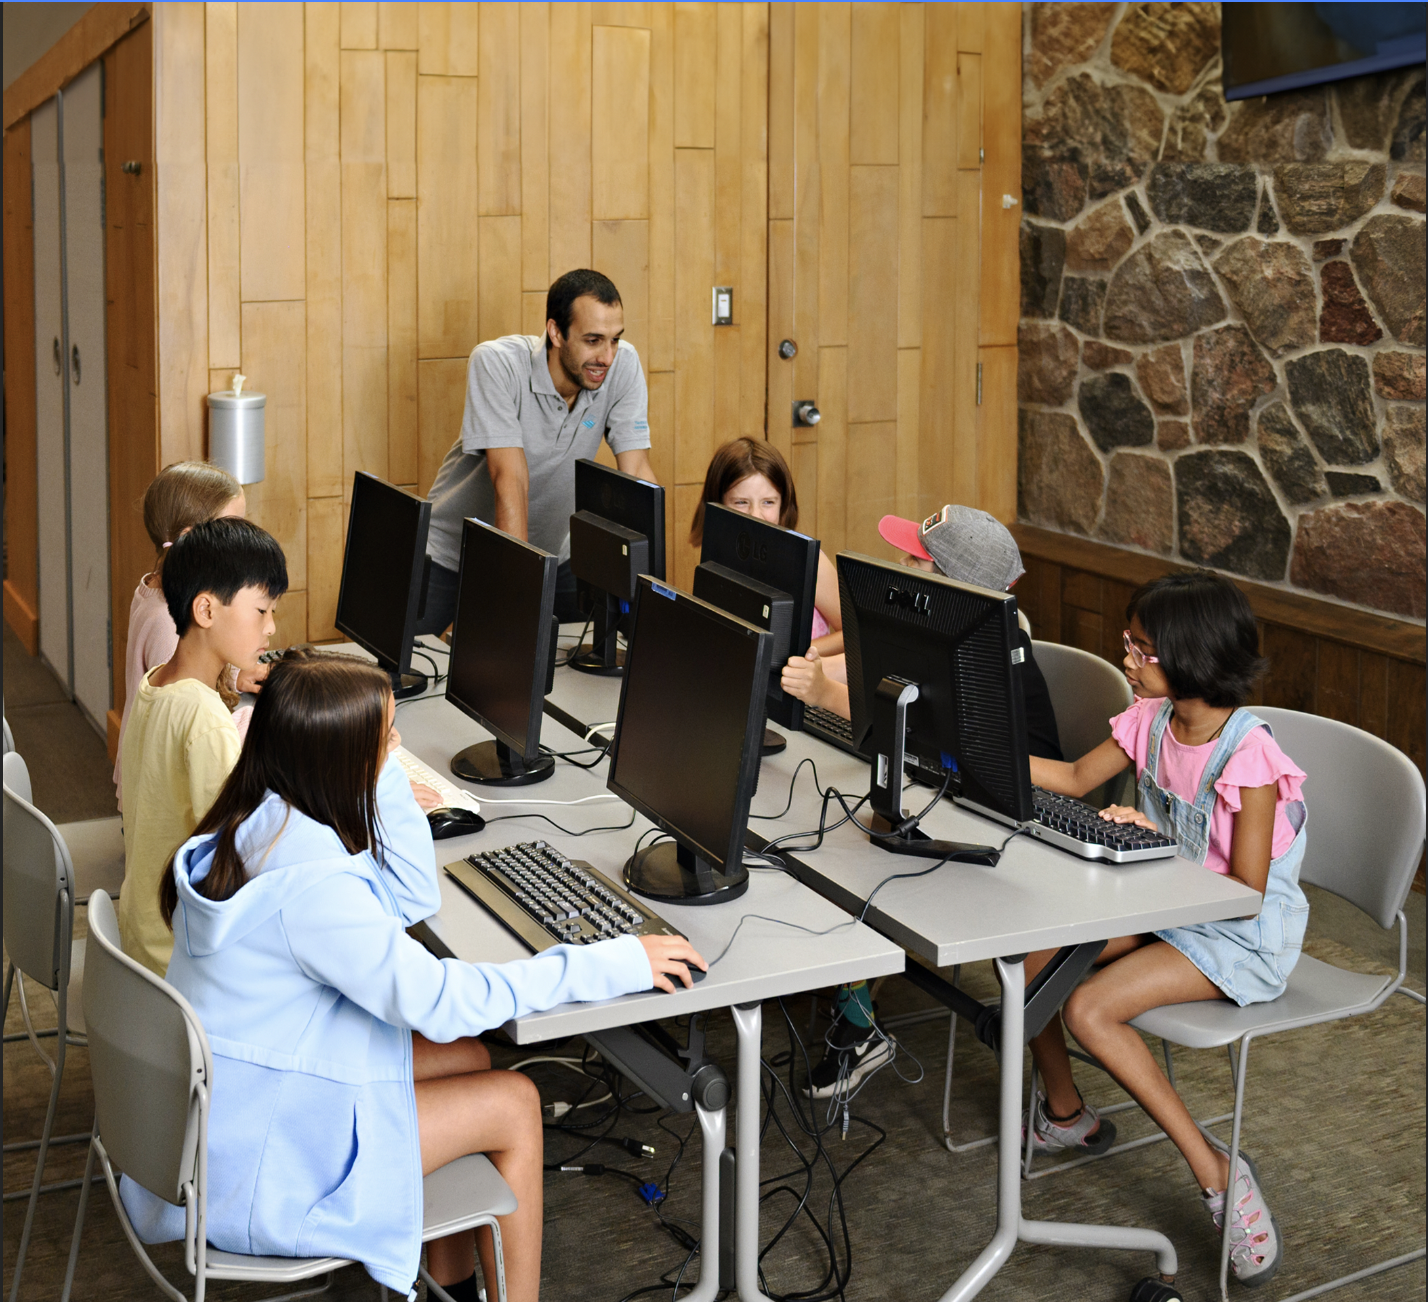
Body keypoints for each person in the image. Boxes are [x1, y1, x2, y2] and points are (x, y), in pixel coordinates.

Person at [120, 650, 706, 1302]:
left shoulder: (262, 820)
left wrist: (382, 769)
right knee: (515, 1101)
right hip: (267, 1159)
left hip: (241, 1102)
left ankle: (446, 1292)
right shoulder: (312, 891)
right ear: (336, 761)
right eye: (385, 740)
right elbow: (442, 999)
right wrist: (615, 958)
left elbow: (407, 895)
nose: (396, 745)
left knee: (471, 1057)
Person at [1026, 570, 1307, 1286]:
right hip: (1167, 907)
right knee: (1031, 957)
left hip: (1235, 933)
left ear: (1189, 657)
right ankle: (1065, 1114)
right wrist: (966, 757)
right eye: (1129, 641)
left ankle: (1215, 1170)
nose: (1127, 657)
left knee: (1089, 1006)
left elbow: (1242, 894)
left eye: (1140, 647)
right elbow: (1071, 779)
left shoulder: (1248, 757)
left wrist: (1155, 838)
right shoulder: (1151, 719)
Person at [785, 505, 1063, 1098]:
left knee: (860, 864)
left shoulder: (990, 656)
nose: (902, 564)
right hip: (949, 793)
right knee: (847, 842)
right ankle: (857, 1020)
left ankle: (858, 1029)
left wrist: (828, 692)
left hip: (1010, 822)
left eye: (916, 558)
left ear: (951, 583)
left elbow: (932, 728)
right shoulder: (938, 628)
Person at [418, 269, 658, 632]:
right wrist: (520, 594)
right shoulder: (497, 363)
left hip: (552, 554)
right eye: (593, 340)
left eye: (614, 340)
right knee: (407, 674)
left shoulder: (621, 367)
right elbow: (510, 480)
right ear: (556, 332)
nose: (607, 357)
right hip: (451, 555)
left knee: (570, 674)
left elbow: (637, 473)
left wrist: (653, 588)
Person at [118, 517, 288, 976]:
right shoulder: (203, 716)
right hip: (178, 957)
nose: (271, 628)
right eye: (262, 611)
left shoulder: (159, 684)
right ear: (206, 611)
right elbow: (244, 853)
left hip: (142, 937)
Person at [113, 461, 258, 809]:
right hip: (161, 799)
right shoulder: (169, 620)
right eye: (233, 528)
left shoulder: (161, 587)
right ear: (192, 539)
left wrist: (237, 676)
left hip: (156, 782)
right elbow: (182, 725)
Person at [689, 438, 842, 656]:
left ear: (784, 505)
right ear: (718, 504)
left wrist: (795, 654)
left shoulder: (810, 564)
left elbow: (853, 635)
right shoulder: (719, 559)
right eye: (741, 502)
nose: (755, 515)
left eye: (768, 502)